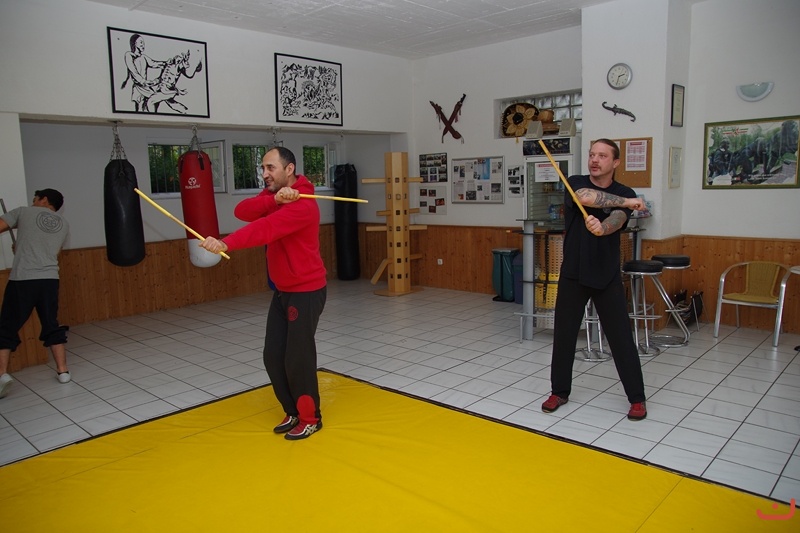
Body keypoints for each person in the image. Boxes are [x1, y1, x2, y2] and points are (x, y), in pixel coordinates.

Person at [200, 147, 327, 440]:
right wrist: (274, 199)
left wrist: (226, 244)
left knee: (297, 358)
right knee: (273, 356)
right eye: (263, 168)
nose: (265, 174)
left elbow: (265, 229)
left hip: (306, 291)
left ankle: (310, 418)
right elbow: (242, 211)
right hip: (283, 291)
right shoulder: (275, 196)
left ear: (289, 169)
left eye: (271, 168)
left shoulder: (304, 205)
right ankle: (292, 411)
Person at [541, 139, 648, 421]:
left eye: (602, 156)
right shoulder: (576, 182)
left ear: (615, 162)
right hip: (573, 274)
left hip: (606, 275)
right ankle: (559, 392)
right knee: (564, 337)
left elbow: (618, 220)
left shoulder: (624, 191)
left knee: (621, 339)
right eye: (592, 155)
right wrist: (629, 203)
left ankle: (637, 398)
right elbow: (586, 198)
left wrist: (603, 228)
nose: (595, 160)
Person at [0, 189, 71, 399]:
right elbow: (51, 252)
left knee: (7, 326)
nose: (32, 203)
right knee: (51, 323)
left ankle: (1, 374)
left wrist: (20, 248)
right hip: (49, 279)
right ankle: (63, 371)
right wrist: (22, 246)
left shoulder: (23, 212)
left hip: (23, 279)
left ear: (44, 199)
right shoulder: (63, 223)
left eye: (35, 199)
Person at [120, 33, 165, 112]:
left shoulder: (143, 57)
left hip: (146, 87)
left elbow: (154, 63)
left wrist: (166, 63)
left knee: (152, 104)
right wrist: (143, 81)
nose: (143, 45)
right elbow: (133, 71)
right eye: (141, 42)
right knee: (140, 108)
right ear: (135, 43)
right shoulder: (129, 55)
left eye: (143, 43)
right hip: (139, 87)